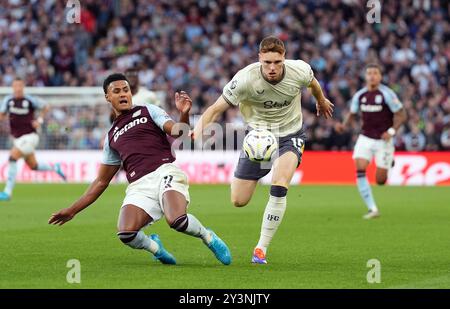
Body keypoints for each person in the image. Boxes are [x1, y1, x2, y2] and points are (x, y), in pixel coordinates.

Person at [49, 73, 231, 265]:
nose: (123, 95)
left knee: (177, 221)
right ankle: (155, 248)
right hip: (139, 185)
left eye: (125, 90)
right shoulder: (111, 137)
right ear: (107, 97)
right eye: (116, 91)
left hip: (164, 172)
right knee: (126, 233)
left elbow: (180, 132)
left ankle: (207, 236)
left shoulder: (148, 111)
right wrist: (72, 210)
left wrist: (184, 113)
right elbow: (101, 181)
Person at [193, 36, 334, 264]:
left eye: (277, 62)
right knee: (238, 200)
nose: (272, 68)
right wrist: (197, 131)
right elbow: (215, 109)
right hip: (258, 138)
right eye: (267, 62)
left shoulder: (299, 70)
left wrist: (321, 100)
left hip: (291, 135)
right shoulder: (245, 79)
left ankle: (261, 248)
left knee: (279, 186)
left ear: (284, 58)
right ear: (259, 58)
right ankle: (253, 173)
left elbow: (313, 84)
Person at [335, 63, 407, 219]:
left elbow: (402, 114)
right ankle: (372, 208)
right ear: (365, 76)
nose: (372, 76)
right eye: (369, 73)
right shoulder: (360, 95)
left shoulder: (387, 94)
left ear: (380, 76)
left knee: (380, 180)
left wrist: (391, 131)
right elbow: (352, 113)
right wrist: (344, 125)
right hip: (365, 137)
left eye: (375, 73)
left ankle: (389, 161)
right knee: (360, 169)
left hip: (384, 140)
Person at [0, 78, 66, 201]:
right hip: (18, 138)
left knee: (12, 157)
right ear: (13, 87)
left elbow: (46, 106)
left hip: (31, 136)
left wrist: (39, 120)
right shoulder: (8, 100)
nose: (18, 88)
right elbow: (2, 115)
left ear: (23, 87)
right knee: (33, 166)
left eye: (20, 86)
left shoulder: (30, 100)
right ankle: (54, 168)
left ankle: (7, 192)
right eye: (15, 86)